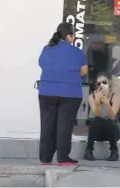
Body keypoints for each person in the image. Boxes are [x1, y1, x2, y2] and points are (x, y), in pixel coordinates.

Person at [38, 23, 88, 166]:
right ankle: (62, 158)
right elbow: (84, 71)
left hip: (46, 92)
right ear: (69, 36)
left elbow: (42, 64)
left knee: (47, 126)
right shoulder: (76, 52)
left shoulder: (46, 49)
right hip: (70, 93)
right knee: (64, 126)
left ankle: (45, 158)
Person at [83, 72, 120, 161]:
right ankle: (89, 150)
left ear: (109, 83)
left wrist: (106, 102)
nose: (102, 85)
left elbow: (112, 116)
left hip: (113, 132)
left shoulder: (114, 96)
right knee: (98, 119)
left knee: (109, 121)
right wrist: (98, 101)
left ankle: (114, 152)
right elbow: (97, 114)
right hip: (98, 132)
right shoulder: (92, 96)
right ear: (96, 86)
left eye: (104, 82)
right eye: (99, 83)